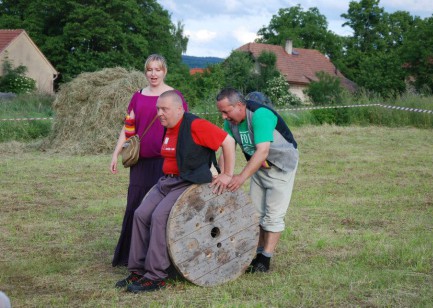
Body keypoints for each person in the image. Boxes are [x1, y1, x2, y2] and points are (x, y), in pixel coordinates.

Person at [115, 90, 235, 293]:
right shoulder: (168, 126)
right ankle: (137, 270)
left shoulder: (195, 124)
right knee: (140, 214)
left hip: (187, 182)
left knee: (160, 216)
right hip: (166, 181)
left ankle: (156, 275)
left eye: (164, 109)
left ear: (179, 109)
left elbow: (228, 141)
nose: (160, 113)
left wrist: (227, 174)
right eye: (158, 109)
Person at [110, 54, 188, 267]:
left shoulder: (174, 96)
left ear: (165, 72)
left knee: (160, 210)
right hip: (140, 163)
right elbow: (128, 129)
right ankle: (130, 255)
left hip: (166, 163)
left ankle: (161, 258)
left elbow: (184, 128)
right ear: (145, 72)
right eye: (150, 70)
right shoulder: (137, 97)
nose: (153, 74)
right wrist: (116, 153)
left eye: (158, 69)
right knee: (135, 207)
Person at [216, 88, 299, 273]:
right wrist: (221, 174)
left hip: (281, 166)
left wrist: (240, 178)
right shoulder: (232, 122)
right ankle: (259, 254)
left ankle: (265, 260)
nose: (223, 117)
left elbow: (263, 151)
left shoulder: (260, 115)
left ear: (239, 105)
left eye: (225, 111)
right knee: (256, 213)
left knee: (273, 215)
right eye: (221, 112)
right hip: (259, 167)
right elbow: (226, 149)